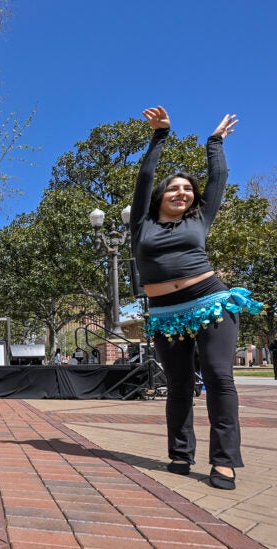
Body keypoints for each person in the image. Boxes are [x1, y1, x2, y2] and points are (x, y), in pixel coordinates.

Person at [130, 106, 263, 491]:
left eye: (188, 189)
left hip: (210, 302)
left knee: (220, 378)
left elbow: (218, 178)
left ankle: (224, 461)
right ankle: (180, 452)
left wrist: (215, 143)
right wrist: (159, 137)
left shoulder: (199, 219)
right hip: (165, 313)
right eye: (174, 187)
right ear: (161, 196)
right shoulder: (143, 223)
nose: (182, 192)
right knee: (179, 384)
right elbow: (143, 178)